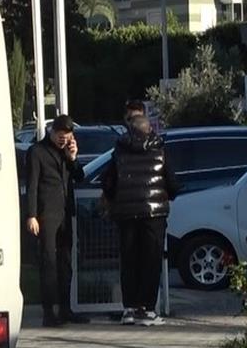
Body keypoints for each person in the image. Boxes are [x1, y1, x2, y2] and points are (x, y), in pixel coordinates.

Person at [102, 101, 180, 327]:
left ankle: (129, 308)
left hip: (126, 214)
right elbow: (172, 182)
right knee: (151, 260)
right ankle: (147, 308)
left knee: (129, 261)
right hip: (154, 215)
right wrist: (170, 194)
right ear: (148, 129)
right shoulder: (160, 150)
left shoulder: (119, 151)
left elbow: (109, 181)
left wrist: (114, 198)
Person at [25, 115, 87, 326]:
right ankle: (48, 311)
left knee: (65, 263)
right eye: (61, 136)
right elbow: (32, 185)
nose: (63, 140)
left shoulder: (66, 152)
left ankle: (65, 308)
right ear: (52, 132)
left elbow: (80, 176)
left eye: (68, 137)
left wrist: (73, 158)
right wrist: (31, 215)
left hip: (65, 212)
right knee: (48, 263)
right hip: (46, 213)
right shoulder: (37, 152)